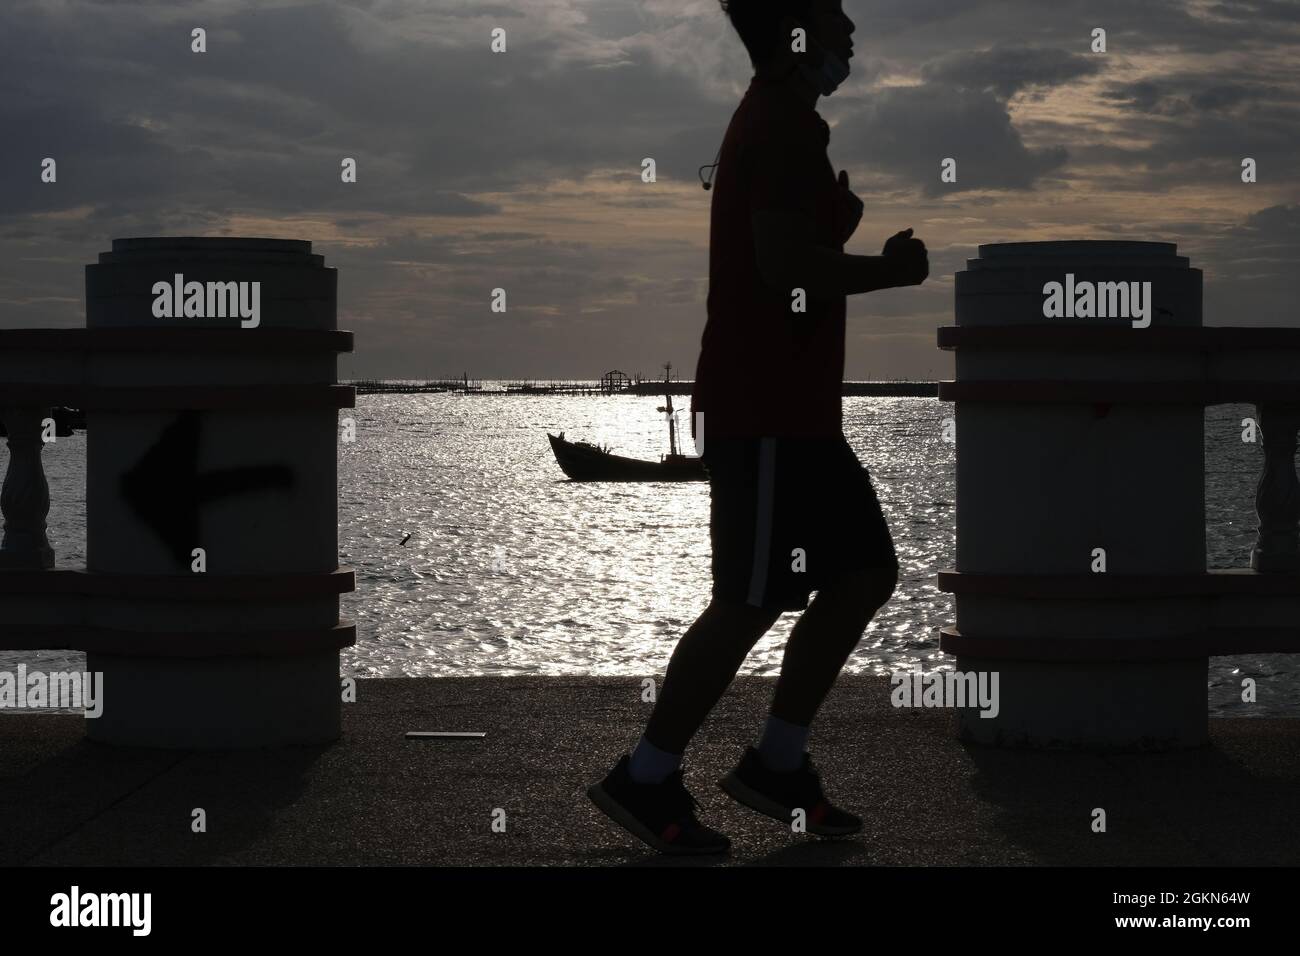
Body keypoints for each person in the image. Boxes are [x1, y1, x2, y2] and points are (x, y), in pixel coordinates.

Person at [587, 0, 928, 855]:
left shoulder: (783, 123)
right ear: (797, 31)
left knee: (863, 573)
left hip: (798, 414)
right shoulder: (781, 124)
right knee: (747, 601)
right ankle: (648, 775)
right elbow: (781, 271)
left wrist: (832, 231)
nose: (850, 30)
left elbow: (781, 252)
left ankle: (777, 762)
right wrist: (885, 271)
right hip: (767, 409)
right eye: (835, 15)